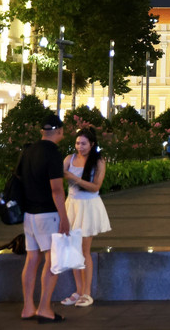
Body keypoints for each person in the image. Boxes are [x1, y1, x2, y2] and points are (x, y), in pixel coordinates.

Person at [19, 113, 70, 323]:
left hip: (29, 214)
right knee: (52, 260)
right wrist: (64, 218)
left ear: (42, 131)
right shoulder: (53, 153)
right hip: (47, 214)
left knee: (32, 259)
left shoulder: (28, 150)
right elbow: (57, 190)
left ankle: (28, 307)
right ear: (58, 131)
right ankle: (44, 308)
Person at [60, 127, 111, 309]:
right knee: (73, 249)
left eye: (83, 143)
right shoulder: (69, 159)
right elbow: (56, 178)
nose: (79, 147)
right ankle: (79, 291)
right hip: (71, 205)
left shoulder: (98, 161)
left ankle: (87, 292)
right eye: (77, 143)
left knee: (84, 249)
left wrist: (74, 178)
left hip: (88, 206)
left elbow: (96, 187)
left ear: (92, 145)